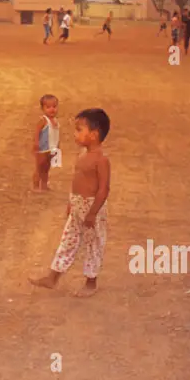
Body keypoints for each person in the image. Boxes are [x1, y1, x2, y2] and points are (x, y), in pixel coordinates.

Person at [30, 108, 111, 297]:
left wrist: (92, 213)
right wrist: (71, 203)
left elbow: (103, 189)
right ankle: (53, 277)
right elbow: (77, 181)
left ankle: (91, 282)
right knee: (68, 240)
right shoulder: (82, 154)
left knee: (93, 243)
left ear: (94, 134)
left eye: (79, 130)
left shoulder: (101, 160)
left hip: (92, 208)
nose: (75, 134)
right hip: (77, 205)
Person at [33, 95, 60, 191]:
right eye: (48, 107)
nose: (52, 109)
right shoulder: (43, 120)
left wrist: (58, 147)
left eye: (54, 106)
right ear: (42, 108)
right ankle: (35, 185)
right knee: (39, 168)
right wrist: (36, 143)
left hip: (51, 149)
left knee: (46, 168)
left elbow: (56, 134)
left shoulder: (56, 121)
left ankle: (44, 185)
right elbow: (37, 132)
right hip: (42, 149)